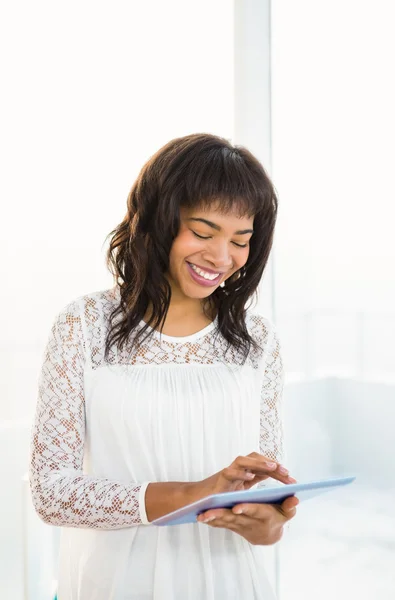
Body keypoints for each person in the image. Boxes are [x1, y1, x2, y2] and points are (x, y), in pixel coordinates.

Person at [29, 132, 299, 600]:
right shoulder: (85, 325)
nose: (221, 257)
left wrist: (267, 525)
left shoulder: (260, 342)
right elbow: (52, 493)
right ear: (158, 219)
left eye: (240, 240)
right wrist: (194, 492)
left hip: (229, 584)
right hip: (111, 585)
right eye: (202, 231)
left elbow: (261, 507)